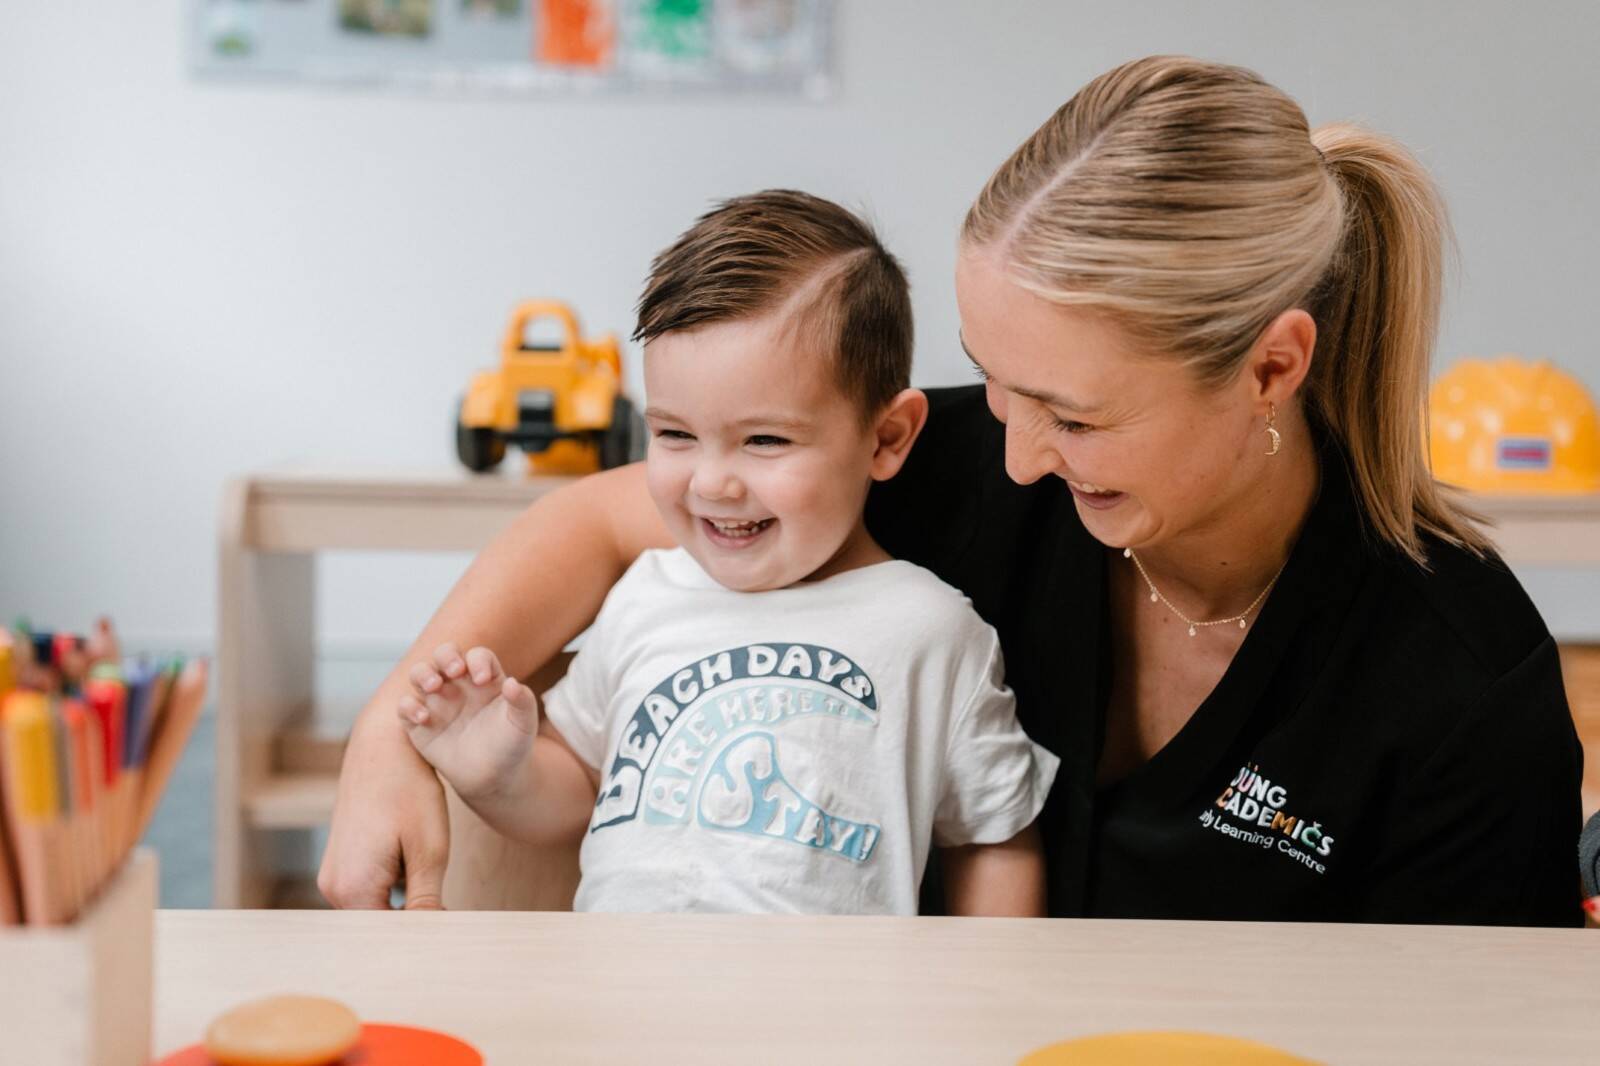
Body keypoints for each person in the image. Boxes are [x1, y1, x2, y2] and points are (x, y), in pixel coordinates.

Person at [320, 55, 1584, 926]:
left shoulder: (1459, 682)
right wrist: (386, 728)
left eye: (1075, 414)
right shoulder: (964, 473)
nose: (1018, 454)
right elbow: (588, 518)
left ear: (1271, 366)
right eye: (997, 383)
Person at [392, 190, 1057, 915]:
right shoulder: (645, 595)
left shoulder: (932, 631)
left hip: (831, 1019)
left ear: (887, 438)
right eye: (675, 434)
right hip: (620, 1007)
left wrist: (984, 999)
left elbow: (993, 838)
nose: (711, 482)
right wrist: (498, 775)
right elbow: (578, 797)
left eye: (765, 440)